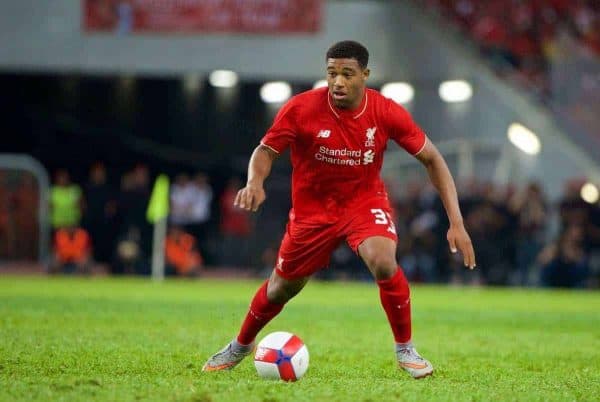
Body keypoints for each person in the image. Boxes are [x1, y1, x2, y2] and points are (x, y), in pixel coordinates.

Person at [203, 40, 476, 379]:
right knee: (280, 288)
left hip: (364, 202)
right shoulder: (301, 108)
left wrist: (456, 221)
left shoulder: (386, 111)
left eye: (347, 74)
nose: (338, 82)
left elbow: (433, 158)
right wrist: (255, 181)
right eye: (332, 73)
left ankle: (406, 350)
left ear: (365, 75)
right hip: (312, 212)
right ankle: (241, 345)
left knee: (383, 259)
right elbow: (266, 149)